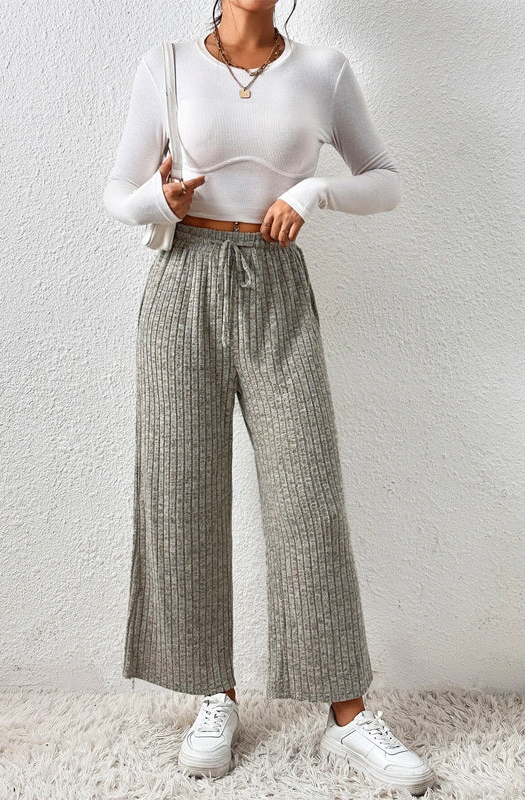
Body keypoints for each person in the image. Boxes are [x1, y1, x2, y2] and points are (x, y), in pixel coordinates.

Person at [103, 1, 436, 795]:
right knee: (181, 493)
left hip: (278, 282)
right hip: (183, 279)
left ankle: (348, 715)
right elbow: (116, 190)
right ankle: (212, 694)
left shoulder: (322, 71)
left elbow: (385, 182)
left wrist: (315, 192)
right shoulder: (168, 64)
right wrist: (159, 203)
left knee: (307, 494)